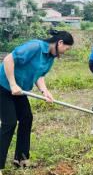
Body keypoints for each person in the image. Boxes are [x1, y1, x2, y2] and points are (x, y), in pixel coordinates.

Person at [0, 30, 74, 173]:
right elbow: (9, 59)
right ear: (60, 43)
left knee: (26, 118)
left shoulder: (50, 57)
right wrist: (13, 84)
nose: (66, 51)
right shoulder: (35, 47)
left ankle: (21, 159)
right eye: (67, 48)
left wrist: (44, 91)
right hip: (3, 85)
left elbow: (39, 76)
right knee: (9, 123)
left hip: (18, 89)